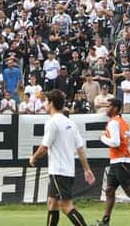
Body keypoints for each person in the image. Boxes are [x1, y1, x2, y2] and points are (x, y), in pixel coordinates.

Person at [28, 90, 95, 226]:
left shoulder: (52, 122)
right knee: (52, 203)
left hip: (58, 170)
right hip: (67, 170)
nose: (45, 104)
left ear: (51, 103)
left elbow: (44, 147)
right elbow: (80, 148)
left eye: (46, 101)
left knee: (66, 206)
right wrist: (87, 169)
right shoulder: (70, 123)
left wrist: (33, 158)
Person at [96, 98, 130, 226]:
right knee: (110, 190)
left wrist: (103, 138)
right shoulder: (122, 122)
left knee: (129, 191)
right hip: (118, 160)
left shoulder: (113, 123)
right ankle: (105, 221)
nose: (107, 108)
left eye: (109, 106)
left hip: (121, 161)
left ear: (115, 108)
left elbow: (115, 143)